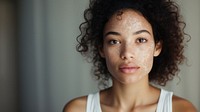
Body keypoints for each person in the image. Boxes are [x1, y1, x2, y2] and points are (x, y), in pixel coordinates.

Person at [63, 0, 197, 112]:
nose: (127, 53)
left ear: (157, 47)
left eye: (140, 40)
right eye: (114, 41)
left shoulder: (182, 109)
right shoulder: (77, 109)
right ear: (101, 49)